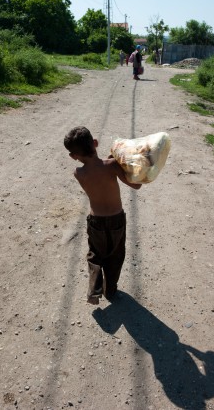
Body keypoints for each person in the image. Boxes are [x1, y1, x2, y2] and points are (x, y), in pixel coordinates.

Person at [64, 126, 142, 305]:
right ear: (95, 143)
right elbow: (136, 186)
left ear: (73, 156)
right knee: (115, 256)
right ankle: (110, 290)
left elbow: (97, 170)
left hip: (95, 221)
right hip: (116, 221)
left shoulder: (78, 173)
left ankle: (94, 289)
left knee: (95, 255)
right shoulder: (112, 166)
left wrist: (109, 162)